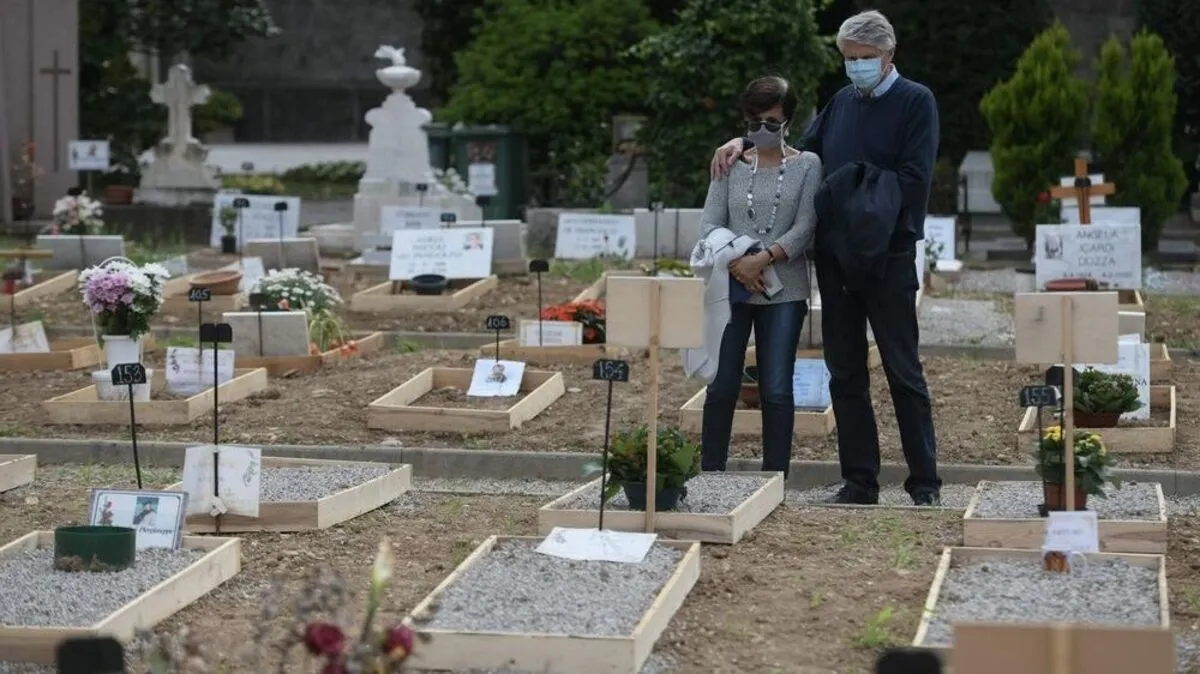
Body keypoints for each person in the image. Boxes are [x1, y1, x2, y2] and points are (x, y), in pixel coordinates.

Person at [709, 10, 942, 505]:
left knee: (903, 370)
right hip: (837, 259)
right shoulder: (841, 103)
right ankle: (860, 480)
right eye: (849, 59)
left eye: (864, 58)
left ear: (888, 54)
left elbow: (914, 179)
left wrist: (853, 188)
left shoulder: (915, 102)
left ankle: (924, 481)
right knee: (845, 371)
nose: (855, 66)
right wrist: (743, 141)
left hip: (888, 255)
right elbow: (802, 156)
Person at [691, 75, 821, 478]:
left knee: (777, 386)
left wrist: (763, 259)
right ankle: (711, 471)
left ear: (787, 122)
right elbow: (711, 223)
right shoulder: (730, 164)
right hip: (731, 287)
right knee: (722, 383)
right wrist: (739, 264)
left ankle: (774, 476)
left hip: (785, 290)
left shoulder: (807, 165)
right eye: (753, 123)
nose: (761, 131)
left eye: (770, 123)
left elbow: (805, 226)